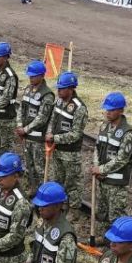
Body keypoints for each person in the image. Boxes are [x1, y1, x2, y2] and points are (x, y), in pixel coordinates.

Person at [92, 92, 132, 241]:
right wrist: (97, 167)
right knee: (103, 211)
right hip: (102, 179)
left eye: (111, 110)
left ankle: (116, 241)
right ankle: (104, 238)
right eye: (107, 109)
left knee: (115, 214)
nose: (108, 112)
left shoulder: (128, 133)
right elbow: (97, 148)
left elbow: (122, 159)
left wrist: (102, 169)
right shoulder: (104, 126)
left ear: (121, 111)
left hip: (116, 183)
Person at [46, 71, 87, 221]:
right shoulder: (58, 102)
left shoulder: (79, 108)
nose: (59, 91)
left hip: (71, 153)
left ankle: (74, 209)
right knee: (57, 179)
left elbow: (76, 134)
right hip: (57, 149)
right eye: (58, 88)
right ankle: (61, 204)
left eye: (62, 88)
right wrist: (50, 134)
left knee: (72, 183)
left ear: (71, 89)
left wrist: (55, 137)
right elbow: (52, 120)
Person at [17, 60, 54, 194]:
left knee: (39, 168)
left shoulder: (47, 95)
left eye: (33, 76)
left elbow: (42, 118)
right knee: (28, 165)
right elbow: (21, 108)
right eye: (30, 76)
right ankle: (29, 188)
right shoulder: (28, 89)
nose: (31, 78)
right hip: (26, 136)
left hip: (37, 138)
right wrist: (20, 125)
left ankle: (42, 192)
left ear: (42, 76)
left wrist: (25, 129)